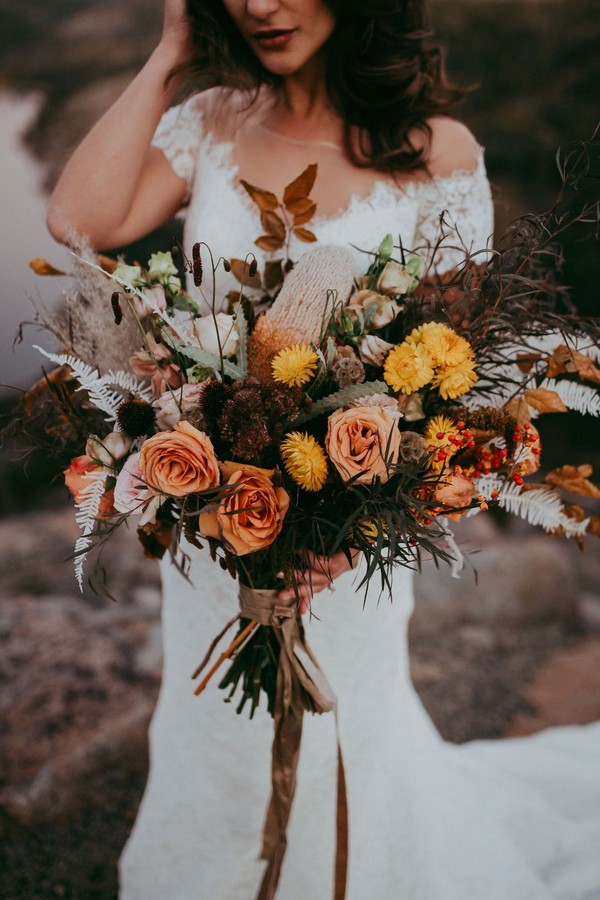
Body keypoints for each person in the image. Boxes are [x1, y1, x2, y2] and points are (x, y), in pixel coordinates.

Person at [47, 1, 600, 898]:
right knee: (211, 739)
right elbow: (78, 217)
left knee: (345, 746)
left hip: (350, 551)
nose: (260, 2)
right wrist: (169, 53)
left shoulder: (439, 153)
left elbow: (458, 388)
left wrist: (347, 537)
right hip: (208, 527)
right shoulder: (211, 121)